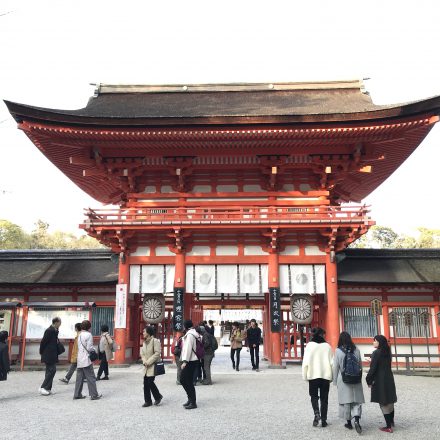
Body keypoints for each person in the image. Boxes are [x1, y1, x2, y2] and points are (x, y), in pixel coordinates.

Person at [333, 331, 365, 434]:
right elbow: (360, 365)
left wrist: (334, 381)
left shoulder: (338, 351)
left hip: (343, 379)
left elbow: (336, 367)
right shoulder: (356, 350)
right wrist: (359, 377)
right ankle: (356, 420)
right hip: (356, 379)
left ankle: (348, 423)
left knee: (346, 401)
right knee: (356, 401)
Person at [302, 327, 333, 428]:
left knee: (314, 396)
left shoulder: (310, 346)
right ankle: (324, 420)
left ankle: (316, 413)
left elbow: (305, 362)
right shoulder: (327, 346)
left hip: (313, 375)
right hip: (325, 376)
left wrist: (305, 375)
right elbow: (332, 363)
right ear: (321, 335)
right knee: (324, 399)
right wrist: (331, 377)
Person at [366, 335, 397, 433]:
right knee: (390, 400)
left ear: (379, 342)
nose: (373, 342)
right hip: (389, 378)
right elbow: (383, 364)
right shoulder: (387, 352)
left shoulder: (376, 353)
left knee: (383, 402)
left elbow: (373, 369)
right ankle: (391, 421)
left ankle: (388, 427)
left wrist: (368, 380)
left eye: (375, 341)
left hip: (380, 380)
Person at [74, 320, 101, 400]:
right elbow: (89, 347)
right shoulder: (89, 335)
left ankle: (77, 394)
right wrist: (95, 350)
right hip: (86, 358)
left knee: (79, 378)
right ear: (89, 327)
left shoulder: (79, 335)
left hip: (80, 358)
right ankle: (94, 395)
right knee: (91, 377)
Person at [180, 319, 201, 409]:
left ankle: (193, 402)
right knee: (185, 380)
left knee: (185, 380)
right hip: (193, 360)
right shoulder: (195, 333)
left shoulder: (190, 335)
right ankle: (190, 399)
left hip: (190, 360)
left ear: (185, 326)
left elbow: (188, 349)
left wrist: (185, 361)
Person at [140, 326, 163, 407]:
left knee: (150, 382)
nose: (143, 333)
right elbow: (142, 353)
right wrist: (144, 361)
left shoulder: (155, 341)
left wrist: (149, 362)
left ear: (148, 333)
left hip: (152, 365)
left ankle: (158, 396)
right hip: (146, 365)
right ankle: (148, 401)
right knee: (146, 383)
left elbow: (157, 353)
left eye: (144, 331)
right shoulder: (144, 342)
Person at [39, 316, 62, 396]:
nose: (60, 324)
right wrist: (41, 352)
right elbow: (43, 342)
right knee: (52, 370)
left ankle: (48, 388)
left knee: (49, 371)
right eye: (60, 322)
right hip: (48, 354)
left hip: (52, 354)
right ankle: (43, 387)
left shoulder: (55, 330)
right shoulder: (49, 331)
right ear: (56, 322)